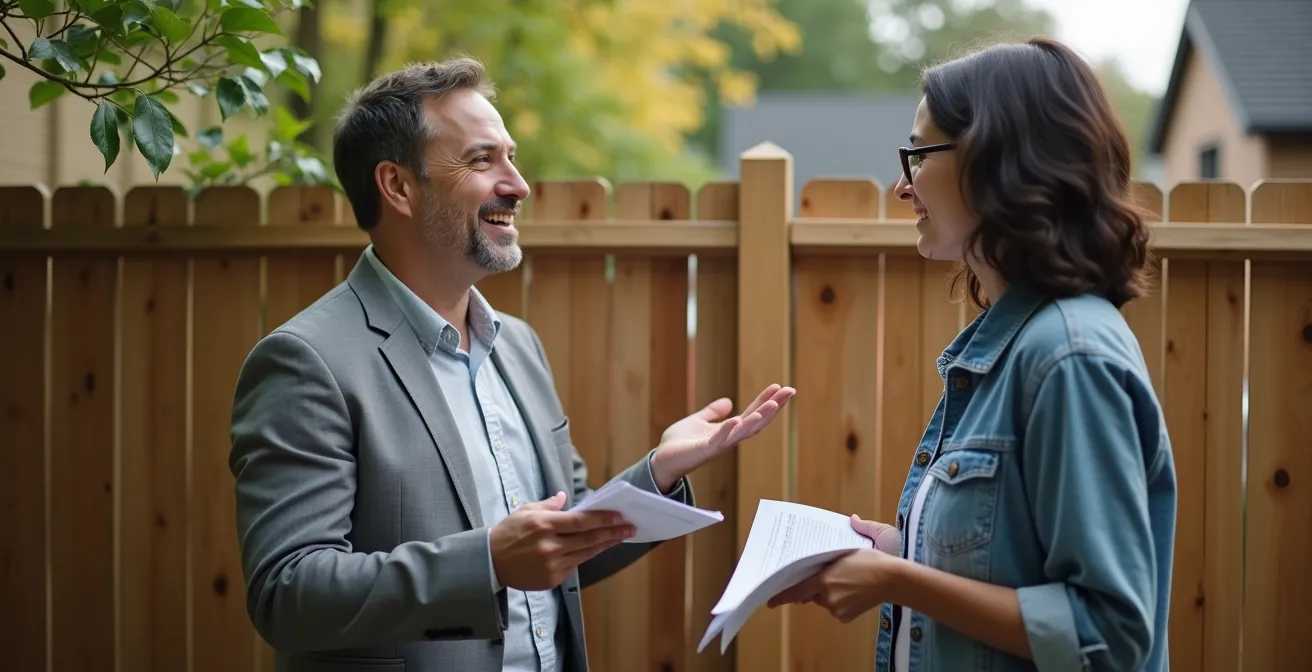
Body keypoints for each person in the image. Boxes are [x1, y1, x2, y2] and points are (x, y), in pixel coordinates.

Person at [228, 57, 794, 672]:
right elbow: (286, 592)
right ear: (397, 186)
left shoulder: (517, 345)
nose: (518, 185)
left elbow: (562, 533)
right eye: (481, 160)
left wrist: (655, 474)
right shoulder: (307, 362)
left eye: (512, 157)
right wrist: (489, 563)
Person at [766, 37, 1176, 672]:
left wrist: (898, 582)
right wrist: (904, 550)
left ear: (998, 161)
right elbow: (1015, 559)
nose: (902, 187)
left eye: (918, 154)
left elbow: (1109, 634)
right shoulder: (1017, 348)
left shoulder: (1069, 359)